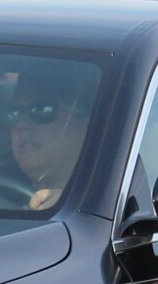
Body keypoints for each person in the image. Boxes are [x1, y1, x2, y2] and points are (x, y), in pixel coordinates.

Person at [9, 68, 96, 210]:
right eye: (14, 113)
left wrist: (71, 206)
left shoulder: (110, 200)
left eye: (42, 110)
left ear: (86, 122)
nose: (21, 125)